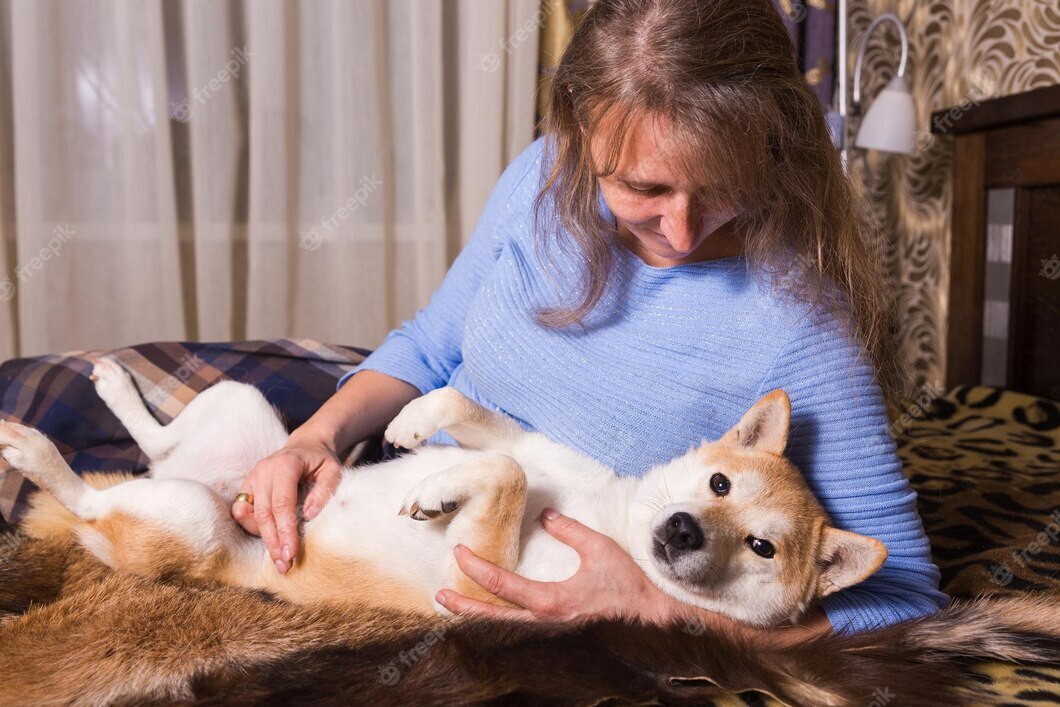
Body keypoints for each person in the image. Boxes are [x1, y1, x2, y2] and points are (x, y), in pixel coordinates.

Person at [232, 0, 948, 648]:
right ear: (577, 126)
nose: (683, 228)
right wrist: (317, 436)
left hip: (472, 578)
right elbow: (428, 343)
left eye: (723, 186)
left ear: (772, 141)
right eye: (643, 186)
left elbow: (908, 594)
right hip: (391, 488)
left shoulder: (801, 324)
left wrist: (664, 611)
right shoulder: (539, 176)